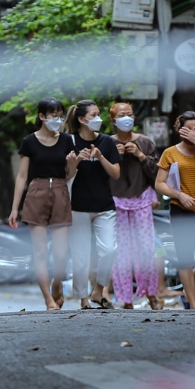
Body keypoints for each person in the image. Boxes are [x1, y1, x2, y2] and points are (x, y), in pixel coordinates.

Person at [8, 98, 80, 311]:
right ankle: (48, 298)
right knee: (39, 251)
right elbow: (22, 176)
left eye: (60, 115)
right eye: (53, 115)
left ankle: (57, 284)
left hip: (60, 191)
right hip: (36, 191)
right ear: (41, 116)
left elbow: (69, 175)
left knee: (60, 253)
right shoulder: (29, 142)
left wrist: (74, 164)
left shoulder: (67, 140)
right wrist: (14, 208)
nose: (57, 119)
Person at [155, 110, 195, 310]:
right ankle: (193, 303)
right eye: (188, 129)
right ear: (179, 130)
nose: (193, 132)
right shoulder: (170, 153)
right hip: (180, 210)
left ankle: (185, 293)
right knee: (185, 258)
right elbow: (159, 183)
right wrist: (179, 195)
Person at [66, 100, 121, 310]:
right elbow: (67, 175)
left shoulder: (106, 142)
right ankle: (83, 299)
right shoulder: (69, 141)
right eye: (93, 115)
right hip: (77, 205)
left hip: (104, 206)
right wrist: (75, 162)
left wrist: (100, 157)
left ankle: (99, 290)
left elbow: (116, 173)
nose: (98, 118)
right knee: (80, 256)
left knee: (108, 250)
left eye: (99, 114)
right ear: (81, 119)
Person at [107, 102, 162, 310]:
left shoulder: (146, 142)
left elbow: (157, 172)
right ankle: (126, 299)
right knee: (121, 252)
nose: (126, 117)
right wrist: (116, 157)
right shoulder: (107, 143)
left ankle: (152, 294)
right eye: (122, 115)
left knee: (147, 249)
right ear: (113, 120)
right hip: (116, 201)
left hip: (142, 199)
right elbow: (103, 174)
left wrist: (140, 156)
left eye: (129, 114)